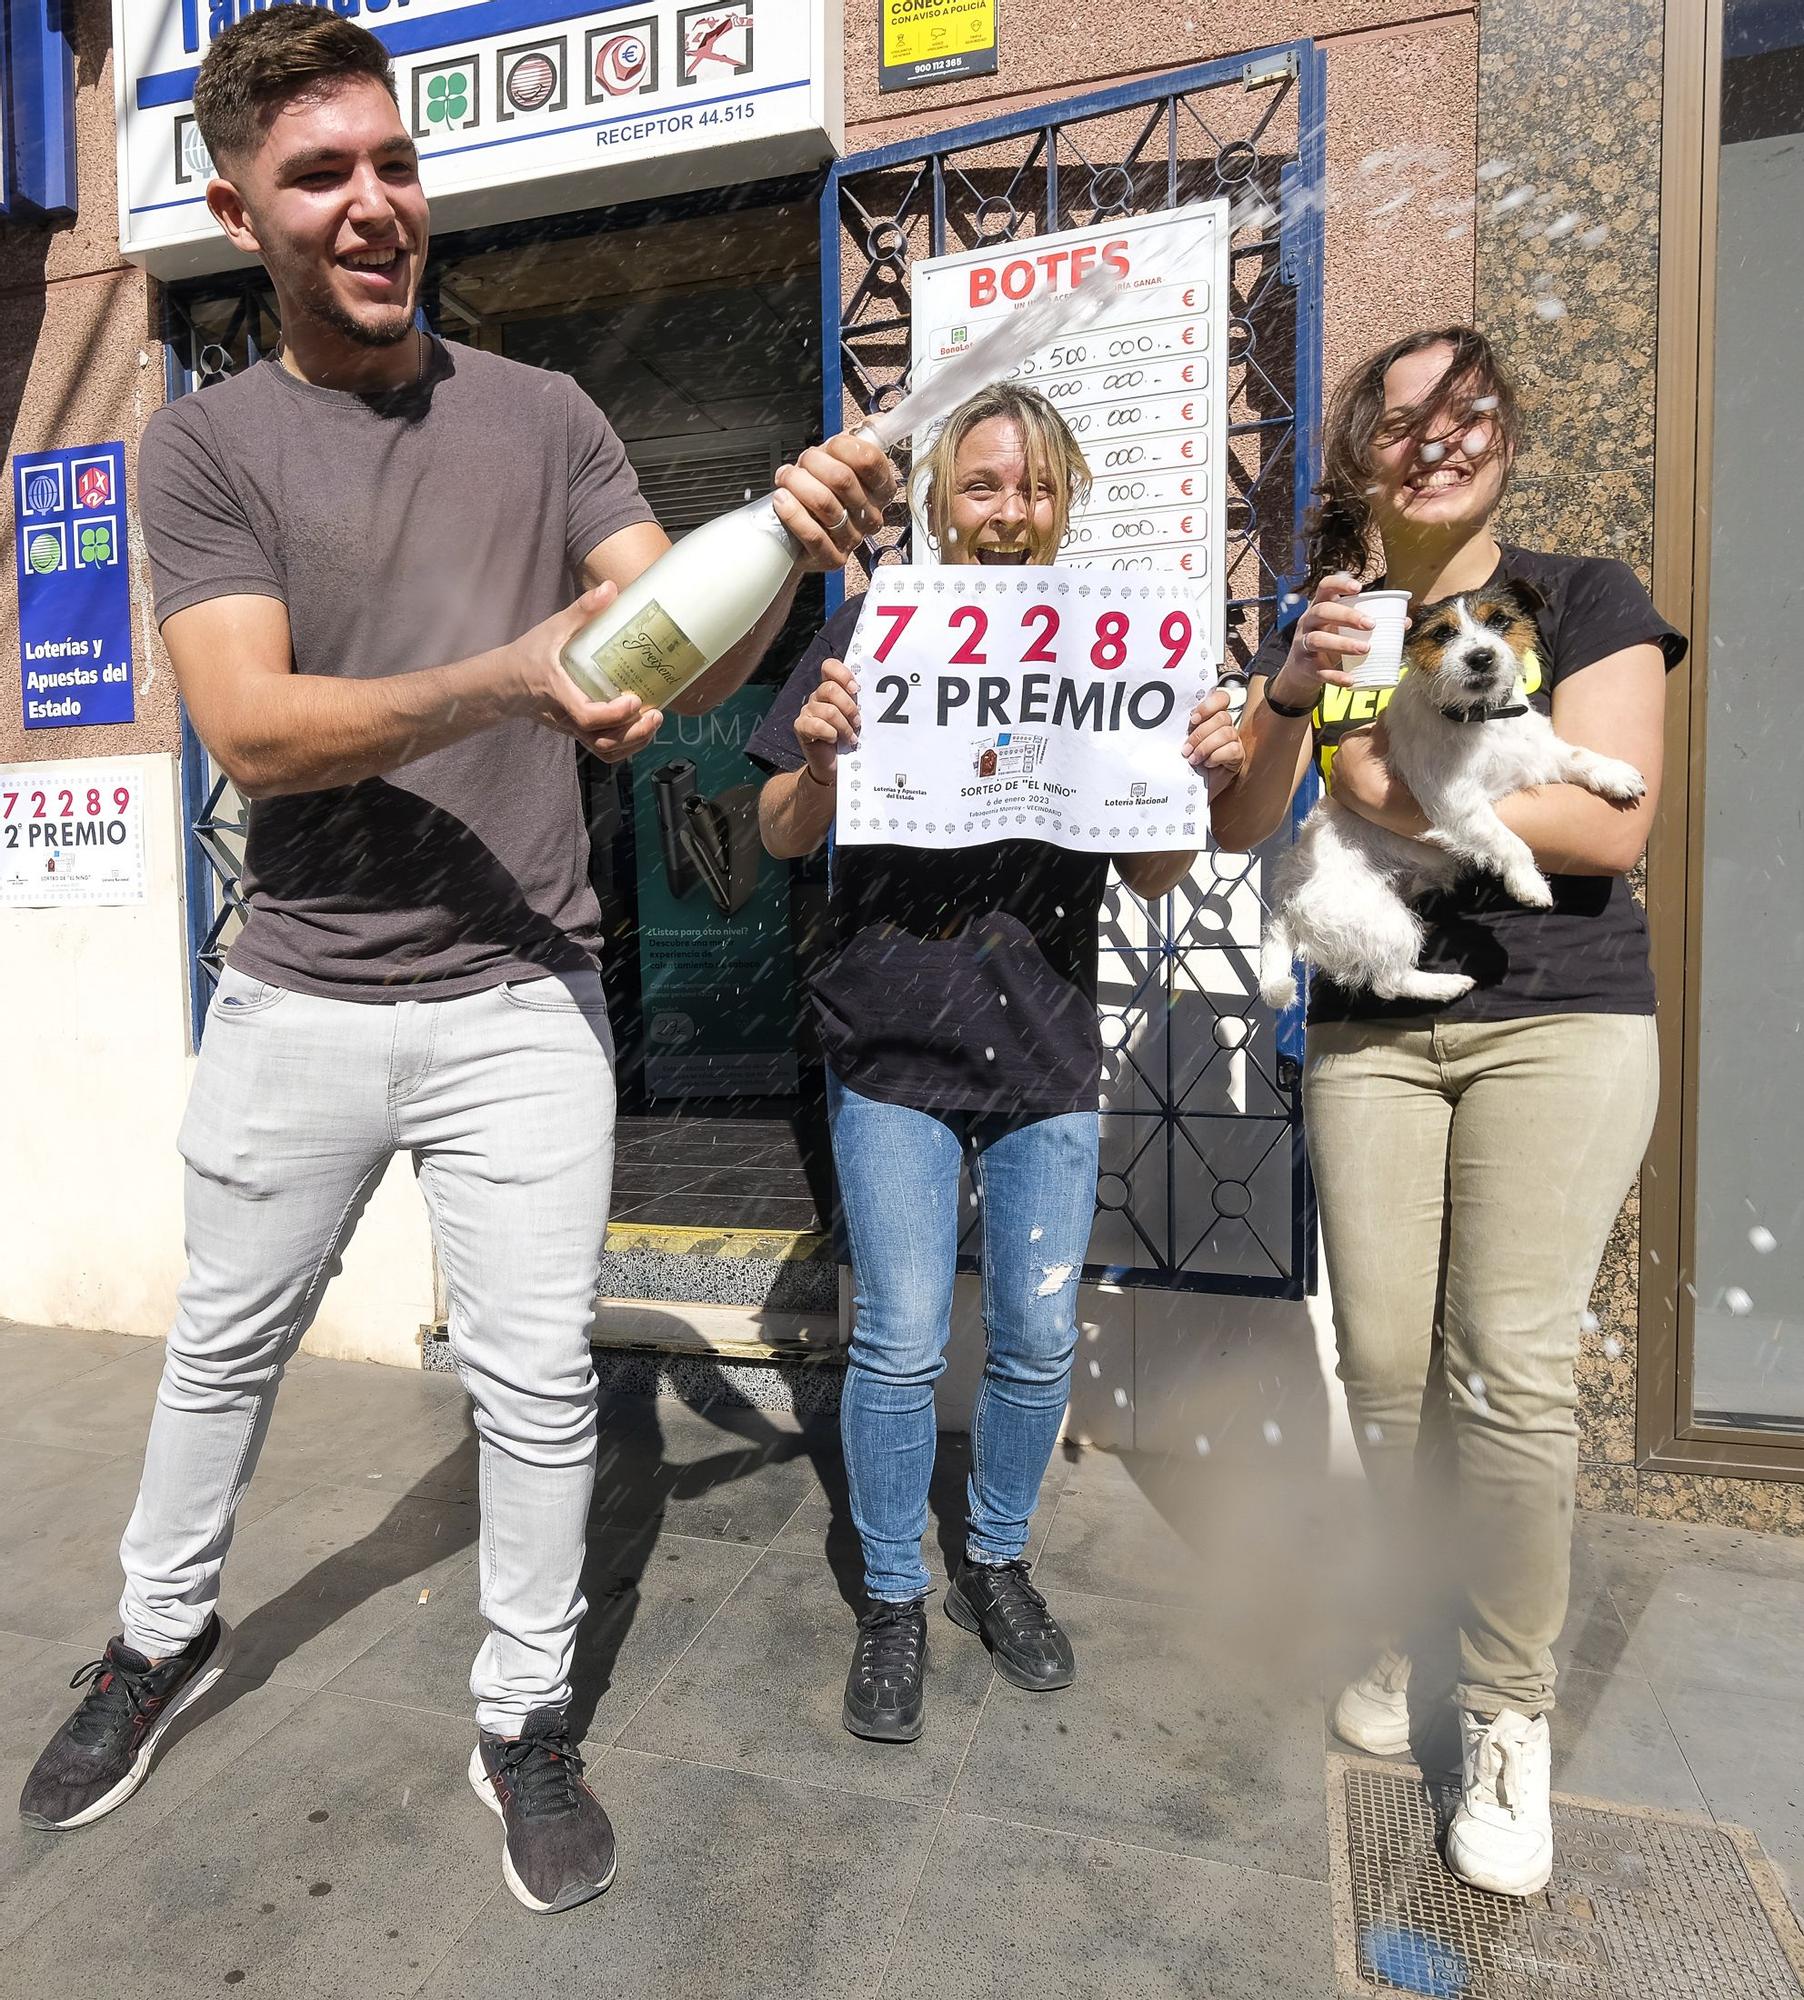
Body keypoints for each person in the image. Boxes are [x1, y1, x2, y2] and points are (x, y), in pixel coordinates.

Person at [15, 6, 894, 1917]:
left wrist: (792, 549)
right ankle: (159, 1641)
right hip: (300, 996)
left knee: (538, 1384)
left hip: (523, 1001)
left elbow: (654, 662)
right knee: (221, 1359)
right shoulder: (206, 449)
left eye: (394, 164)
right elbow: (249, 729)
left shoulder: (549, 416)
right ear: (239, 208)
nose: (371, 205)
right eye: (320, 174)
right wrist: (506, 674)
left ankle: (523, 1716)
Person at [1211, 326, 1685, 1896]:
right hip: (1375, 1026)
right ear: (1359, 454)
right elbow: (1236, 817)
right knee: (1397, 1370)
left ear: (1504, 434)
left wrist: (1395, 791)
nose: (1434, 439)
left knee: (1511, 1371)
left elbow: (1607, 820)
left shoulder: (1585, 597)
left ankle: (1507, 1714)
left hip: (1557, 1022)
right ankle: (1424, 1627)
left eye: (1463, 412)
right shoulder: (1336, 624)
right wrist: (1289, 696)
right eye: (1399, 420)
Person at [748, 383, 1244, 1742]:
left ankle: (1003, 1561)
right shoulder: (869, 628)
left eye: (1031, 488)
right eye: (981, 487)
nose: (1008, 512)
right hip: (891, 1045)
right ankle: (897, 1597)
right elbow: (782, 836)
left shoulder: (1112, 646)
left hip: (1043, 1051)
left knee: (1031, 1336)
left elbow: (1151, 868)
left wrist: (1195, 776)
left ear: (1065, 500)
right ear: (938, 505)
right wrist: (817, 760)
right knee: (900, 1343)